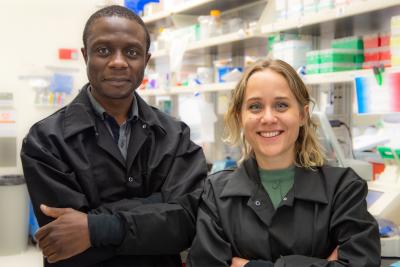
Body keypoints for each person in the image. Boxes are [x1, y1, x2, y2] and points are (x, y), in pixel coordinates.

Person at [20, 5, 207, 267]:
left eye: (131, 52)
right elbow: (64, 242)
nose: (118, 62)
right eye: (103, 50)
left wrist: (96, 228)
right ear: (85, 55)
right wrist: (157, 207)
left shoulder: (175, 136)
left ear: (146, 60)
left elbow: (187, 222)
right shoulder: (46, 140)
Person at [186, 59, 380, 267]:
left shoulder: (343, 189)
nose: (268, 118)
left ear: (302, 114)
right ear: (239, 116)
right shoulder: (216, 192)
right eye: (255, 106)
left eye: (281, 105)